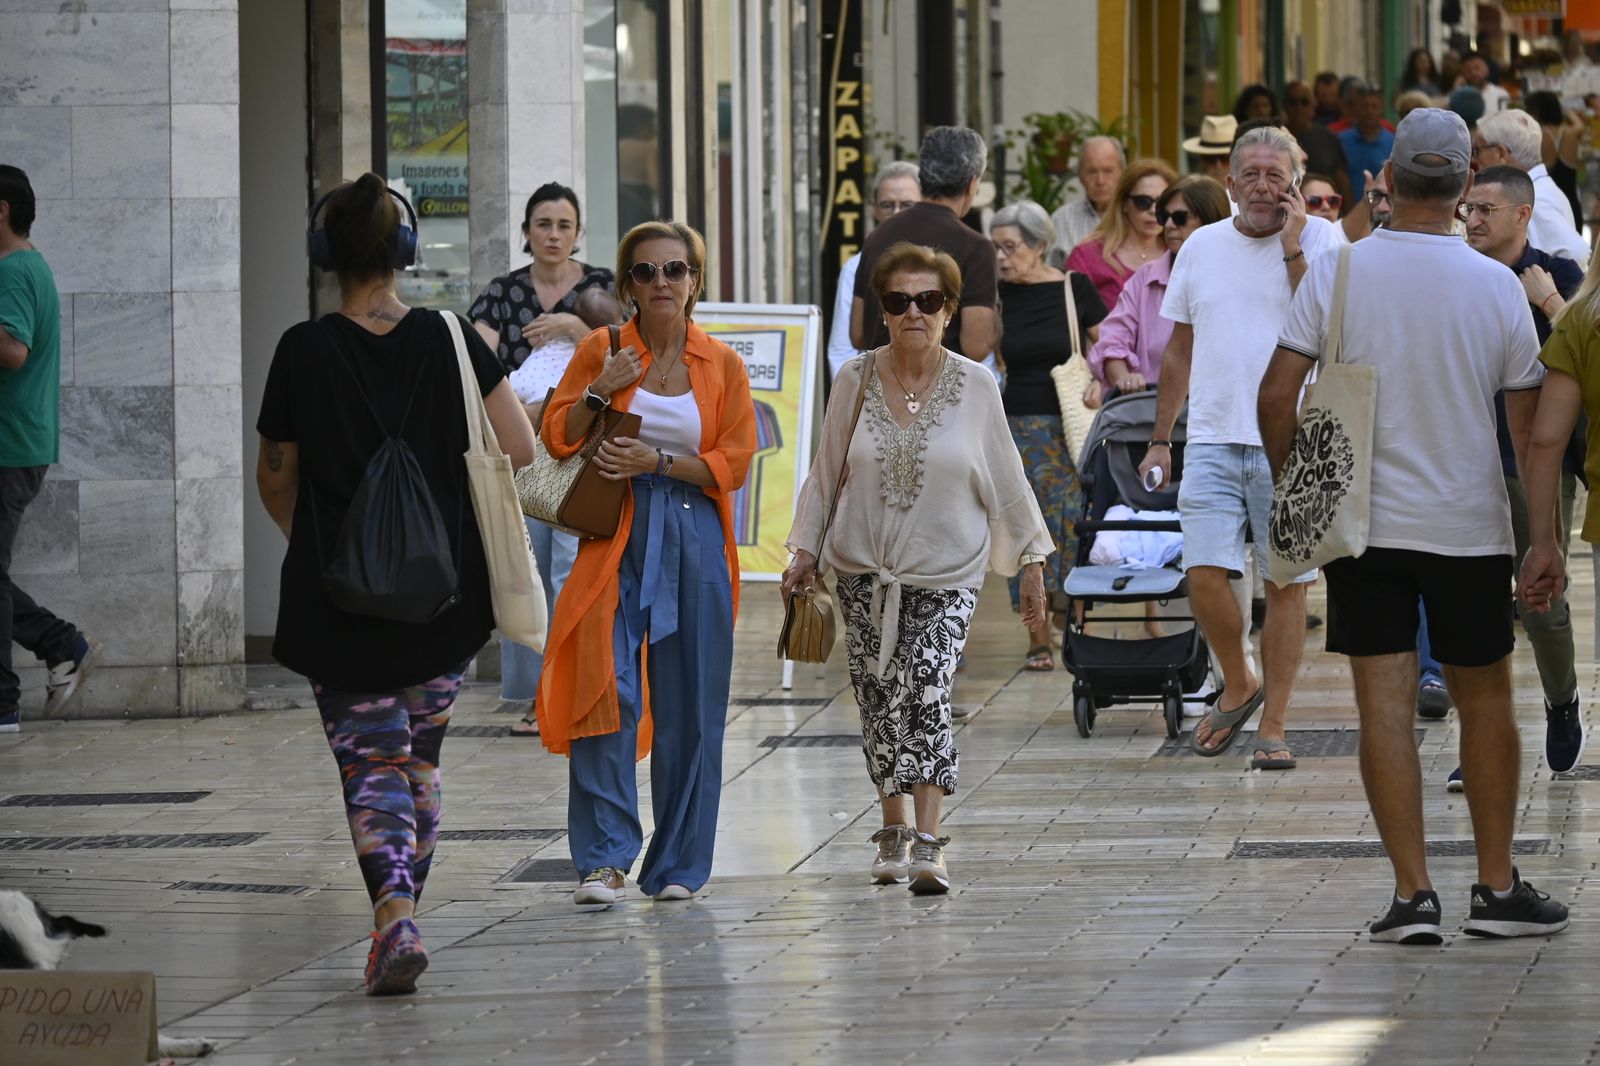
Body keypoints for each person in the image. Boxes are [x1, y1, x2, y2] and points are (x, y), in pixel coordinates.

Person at [1261, 108, 1570, 945]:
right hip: (1467, 526)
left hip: (1363, 526)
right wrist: (1541, 538)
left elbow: (1274, 394)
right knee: (1486, 702)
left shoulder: (1339, 273)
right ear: (1468, 187)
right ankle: (1497, 888)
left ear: (1387, 182)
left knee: (1384, 708)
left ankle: (1411, 897)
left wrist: (1301, 492)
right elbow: (1526, 429)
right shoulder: (1495, 284)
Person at [256, 173, 537, 994]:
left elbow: (277, 479)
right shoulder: (453, 337)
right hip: (442, 601)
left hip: (337, 607)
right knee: (418, 761)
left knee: (369, 762)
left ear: (324, 256)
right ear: (406, 251)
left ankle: (394, 918)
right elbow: (518, 451)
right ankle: (402, 909)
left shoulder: (301, 350)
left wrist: (326, 551)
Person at [783, 241, 1052, 896]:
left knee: (928, 689)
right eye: (899, 301)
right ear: (881, 310)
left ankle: (930, 841)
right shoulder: (853, 379)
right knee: (879, 702)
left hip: (947, 569)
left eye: (928, 301)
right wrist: (804, 551)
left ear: (950, 308)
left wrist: (1033, 562)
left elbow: (1007, 480)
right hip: (862, 568)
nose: (914, 312)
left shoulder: (977, 385)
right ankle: (893, 824)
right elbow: (826, 473)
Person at [537, 220, 755, 907]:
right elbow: (558, 437)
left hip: (693, 532)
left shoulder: (720, 363)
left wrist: (659, 460)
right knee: (608, 689)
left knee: (693, 701)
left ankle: (680, 866)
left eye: (675, 270)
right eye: (645, 271)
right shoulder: (604, 349)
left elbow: (735, 461)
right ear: (626, 284)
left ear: (695, 280)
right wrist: (601, 389)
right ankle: (602, 860)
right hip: (615, 533)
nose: (661, 282)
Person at [1137, 125, 1340, 770]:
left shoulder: (1325, 240)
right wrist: (1161, 436)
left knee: (1287, 583)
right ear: (1228, 184)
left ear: (1296, 185)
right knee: (1202, 572)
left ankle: (1273, 723)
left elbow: (1333, 328)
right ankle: (1239, 679)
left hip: (1295, 440)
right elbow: (1180, 347)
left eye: (1274, 175)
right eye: (1249, 174)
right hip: (1215, 434)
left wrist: (1291, 248)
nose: (1261, 185)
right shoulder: (1200, 245)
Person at [468, 182, 623, 737]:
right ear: (527, 231)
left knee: (574, 573)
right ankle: (537, 694)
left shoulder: (604, 287)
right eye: (543, 224)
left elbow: (634, 352)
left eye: (564, 225)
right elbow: (474, 366)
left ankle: (576, 690)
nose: (553, 234)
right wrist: (519, 411)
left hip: (590, 452)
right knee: (527, 571)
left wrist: (574, 328)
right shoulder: (502, 293)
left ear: (578, 232)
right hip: (525, 451)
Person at [1448, 164, 1585, 782]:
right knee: (1470, 601)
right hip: (1461, 458)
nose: (1472, 220)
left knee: (1538, 599)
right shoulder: (1454, 275)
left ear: (1522, 216)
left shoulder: (1558, 275)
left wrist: (1548, 303)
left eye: (1486, 210)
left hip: (1535, 458)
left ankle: (1561, 702)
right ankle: (1474, 741)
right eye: (1467, 209)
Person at [990, 201, 1109, 669]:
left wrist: (1103, 379)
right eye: (995, 247)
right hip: (1015, 425)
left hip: (1071, 425)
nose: (1001, 256)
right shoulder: (998, 296)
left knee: (1074, 522)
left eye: (1011, 246)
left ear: (1040, 245)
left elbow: (1110, 344)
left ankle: (1073, 622)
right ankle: (1036, 638)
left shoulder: (1072, 288)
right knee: (1022, 528)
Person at [0, 166, 97, 734]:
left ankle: (5, 702)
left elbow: (12, 350)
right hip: (20, 442)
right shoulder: (29, 266)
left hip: (10, 445)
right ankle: (63, 644)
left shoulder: (13, 271)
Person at [851, 126, 999, 361]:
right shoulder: (976, 247)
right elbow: (977, 346)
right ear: (972, 184)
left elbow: (858, 334)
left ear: (922, 177)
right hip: (942, 392)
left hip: (880, 386)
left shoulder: (878, 235)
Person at [1089, 175, 1231, 397]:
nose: (1169, 225)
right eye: (1164, 216)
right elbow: (1111, 342)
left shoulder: (1236, 277)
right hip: (1152, 414)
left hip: (1222, 415)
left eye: (1180, 217)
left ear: (1210, 220)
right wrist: (1124, 378)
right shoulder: (1145, 279)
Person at [828, 162, 920, 380]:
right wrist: (849, 406)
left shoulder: (943, 263)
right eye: (887, 205)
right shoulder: (855, 267)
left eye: (907, 205)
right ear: (874, 209)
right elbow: (842, 349)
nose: (897, 214)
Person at [1473, 109, 1590, 264]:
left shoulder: (1536, 199)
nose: (1475, 159)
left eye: (1478, 150)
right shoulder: (1539, 189)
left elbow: (1577, 252)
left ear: (1501, 154)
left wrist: (1547, 286)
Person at [1066, 159, 1178, 312]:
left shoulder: (1181, 254)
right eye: (1143, 201)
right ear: (1124, 203)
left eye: (1162, 202)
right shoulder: (1086, 256)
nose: (1153, 210)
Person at [1049, 136, 1126, 266]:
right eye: (1092, 172)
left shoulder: (1137, 216)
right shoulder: (1062, 219)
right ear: (1080, 176)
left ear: (1123, 173)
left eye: (1108, 171)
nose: (1100, 181)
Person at [1283, 81, 1352, 205]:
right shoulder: (1276, 138)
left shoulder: (1328, 137)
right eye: (1293, 102)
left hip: (1323, 208)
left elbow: (1341, 179)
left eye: (1304, 101)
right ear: (1284, 106)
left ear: (1313, 103)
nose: (1299, 107)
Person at [1522, 91, 1584, 229]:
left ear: (1536, 112)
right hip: (1571, 205)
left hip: (1546, 205)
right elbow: (1579, 124)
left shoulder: (1536, 135)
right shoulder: (1571, 133)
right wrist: (1567, 110)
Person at [1338, 87, 1396, 200]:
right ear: (1356, 110)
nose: (1369, 111)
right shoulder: (1341, 141)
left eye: (1374, 106)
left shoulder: (1393, 143)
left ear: (1382, 110)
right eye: (1364, 106)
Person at [1182, 115, 1236, 182]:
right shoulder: (1192, 190)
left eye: (1225, 158)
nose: (1218, 166)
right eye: (1210, 159)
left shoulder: (1249, 190)